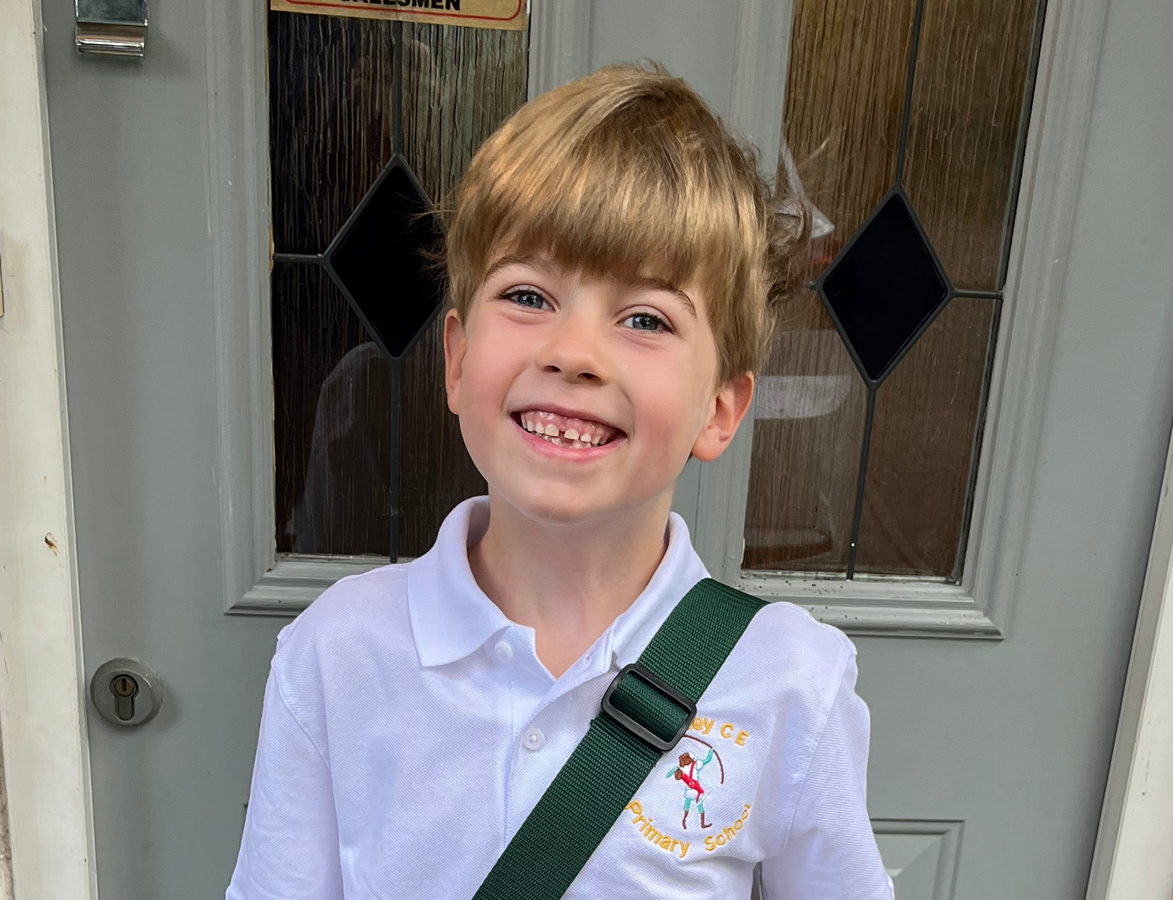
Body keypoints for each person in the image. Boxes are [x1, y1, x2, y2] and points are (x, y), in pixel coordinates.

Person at [227, 62, 893, 899]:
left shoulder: (791, 681)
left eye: (645, 318)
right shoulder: (335, 653)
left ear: (719, 410)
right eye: (529, 296)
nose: (573, 353)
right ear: (458, 360)